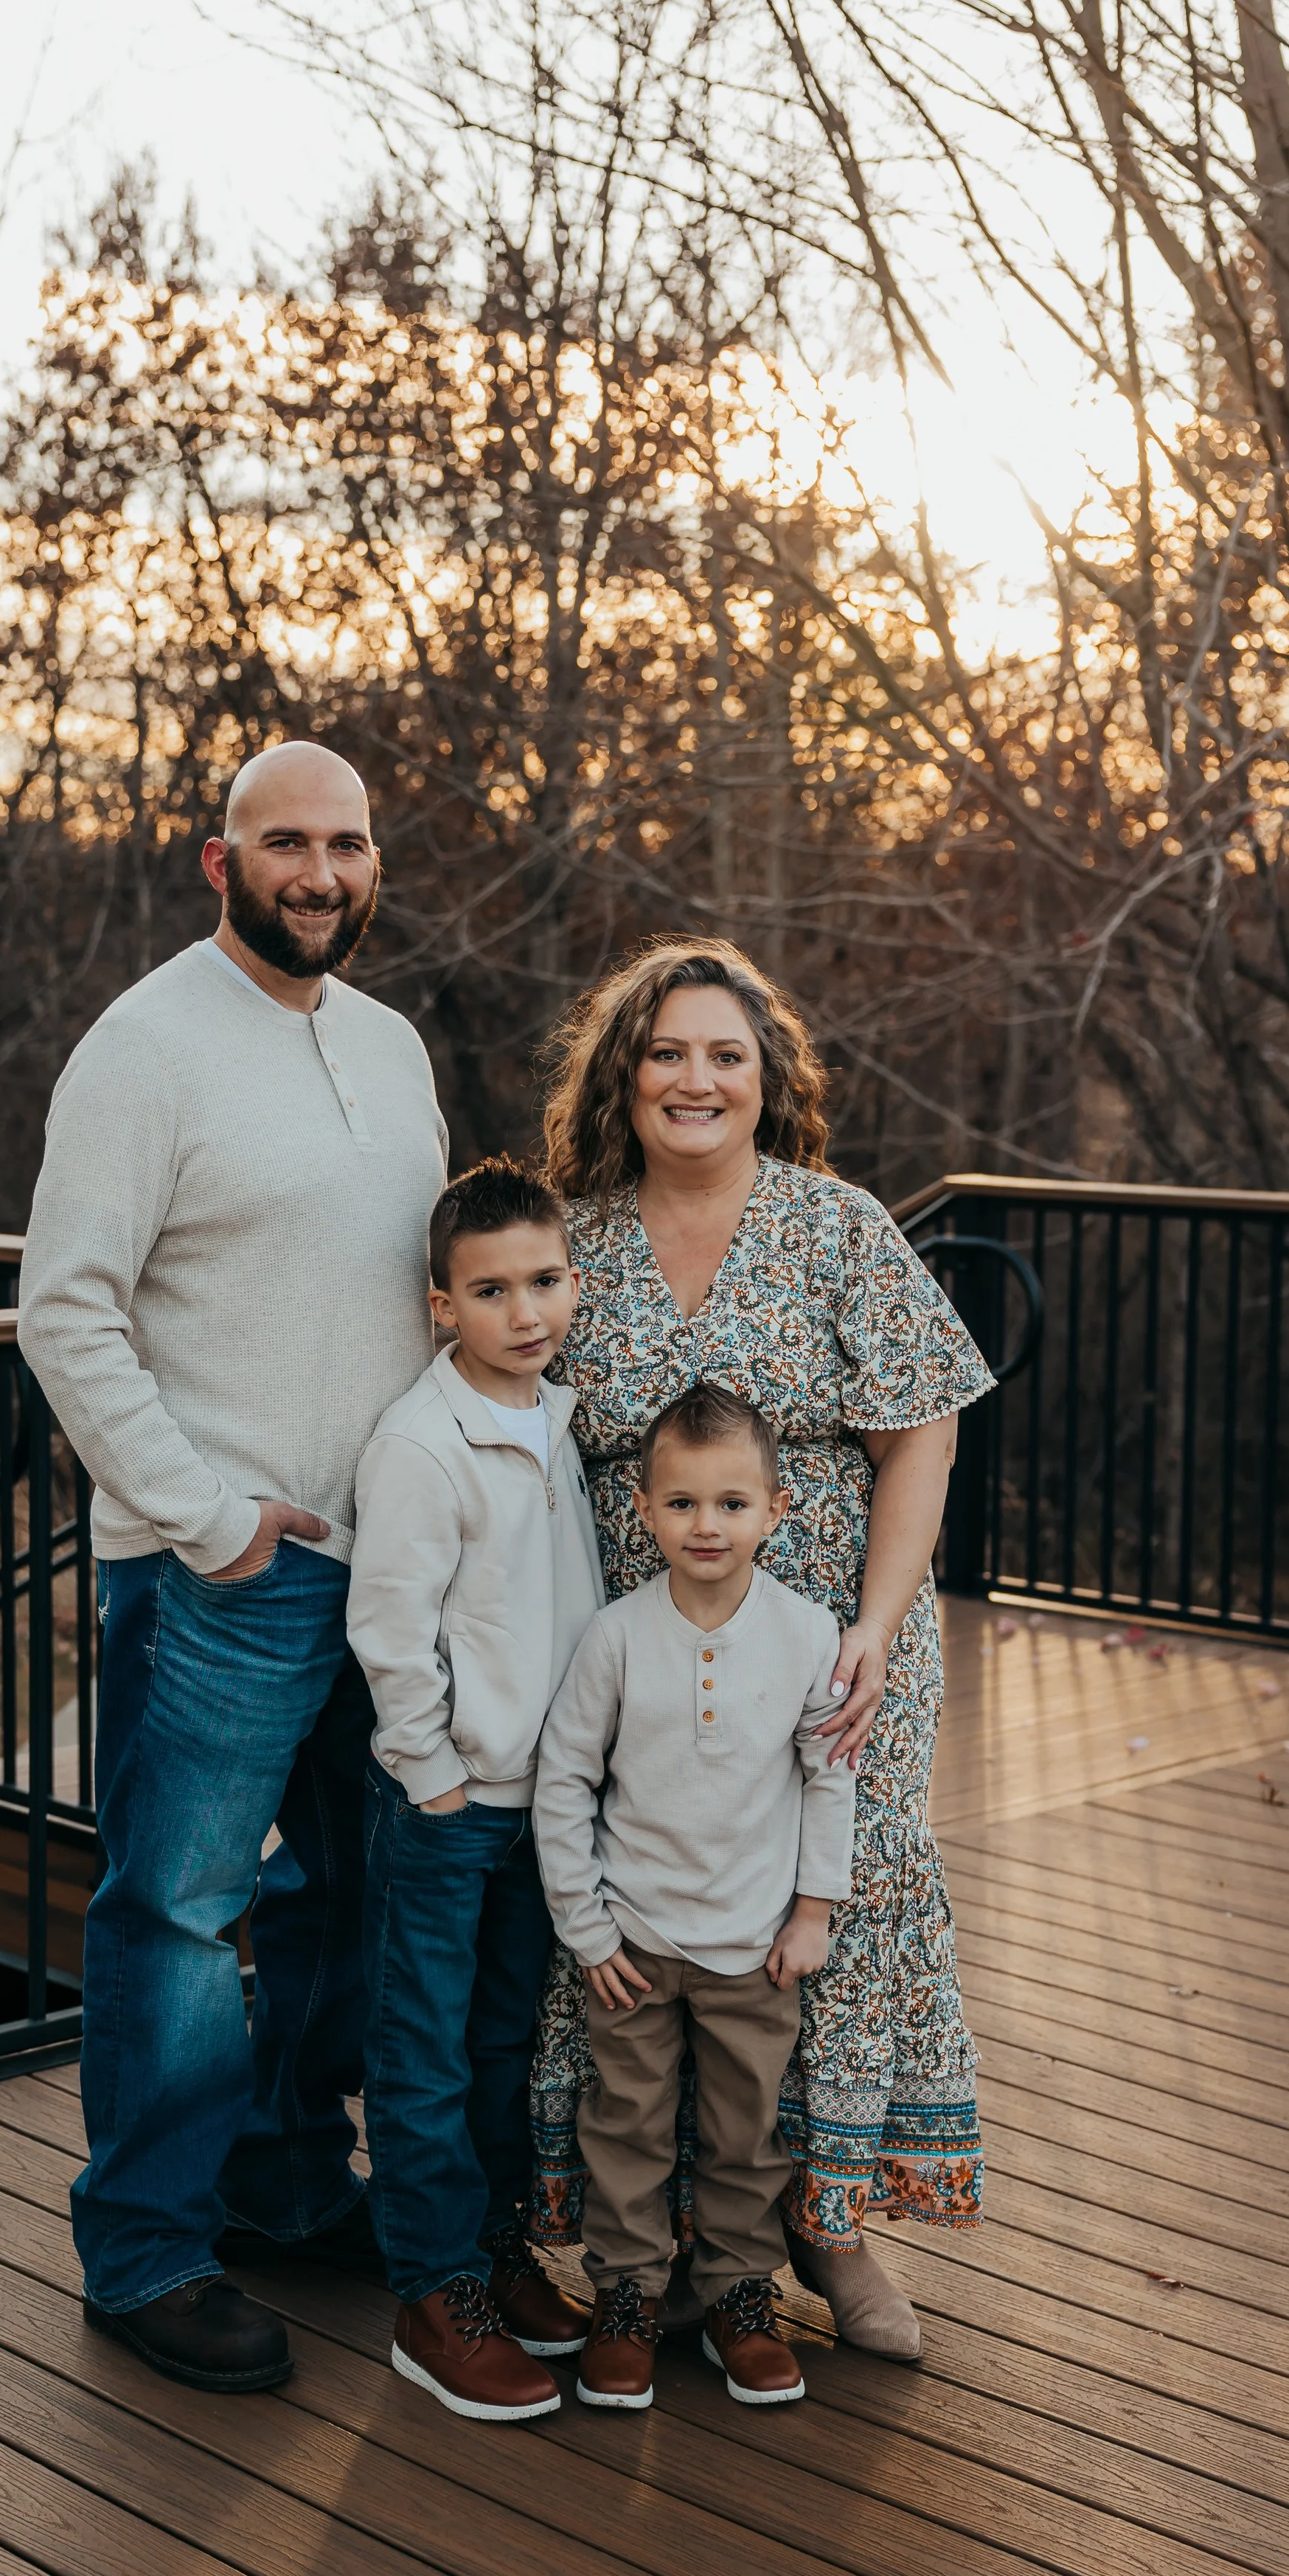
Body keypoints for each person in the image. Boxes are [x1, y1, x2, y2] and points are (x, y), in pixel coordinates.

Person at [18, 740, 447, 2392]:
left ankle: (280, 2181)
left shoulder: (393, 1044)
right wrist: (204, 1515)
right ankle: (144, 2251)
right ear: (220, 861)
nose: (320, 874)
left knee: (346, 1894)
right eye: (286, 845)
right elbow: (65, 1307)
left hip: (388, 1570)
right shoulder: (144, 1048)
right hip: (221, 1574)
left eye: (345, 844)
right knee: (178, 1918)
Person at [530, 938, 993, 2364]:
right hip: (631, 1654)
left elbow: (925, 1422)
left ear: (765, 1077)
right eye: (667, 1050)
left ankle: (824, 2224)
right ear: (626, 1072)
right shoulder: (574, 1239)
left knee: (829, 1908)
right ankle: (664, 2238)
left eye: (726, 1054)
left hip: (830, 1655)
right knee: (649, 1916)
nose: (696, 1077)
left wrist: (874, 1623)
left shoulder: (838, 1224)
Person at [533, 1381, 857, 2410]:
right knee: (624, 2123)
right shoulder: (617, 1637)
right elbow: (564, 1782)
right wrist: (585, 1927)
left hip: (755, 1948)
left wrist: (814, 1911)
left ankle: (737, 2295)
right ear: (642, 1508)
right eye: (681, 1503)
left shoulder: (809, 1635)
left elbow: (828, 1776)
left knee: (745, 2128)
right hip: (633, 1941)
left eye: (729, 1502)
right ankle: (628, 2293)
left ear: (776, 1507)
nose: (705, 1525)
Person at [347, 1159, 604, 2420]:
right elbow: (390, 1630)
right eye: (493, 1289)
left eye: (547, 1280)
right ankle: (431, 2289)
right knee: (423, 2050)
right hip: (451, 1812)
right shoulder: (420, 1441)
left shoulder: (559, 1416)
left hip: (546, 1808)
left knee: (504, 2039)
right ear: (442, 1303)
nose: (527, 1311)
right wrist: (436, 1778)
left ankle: (499, 2250)